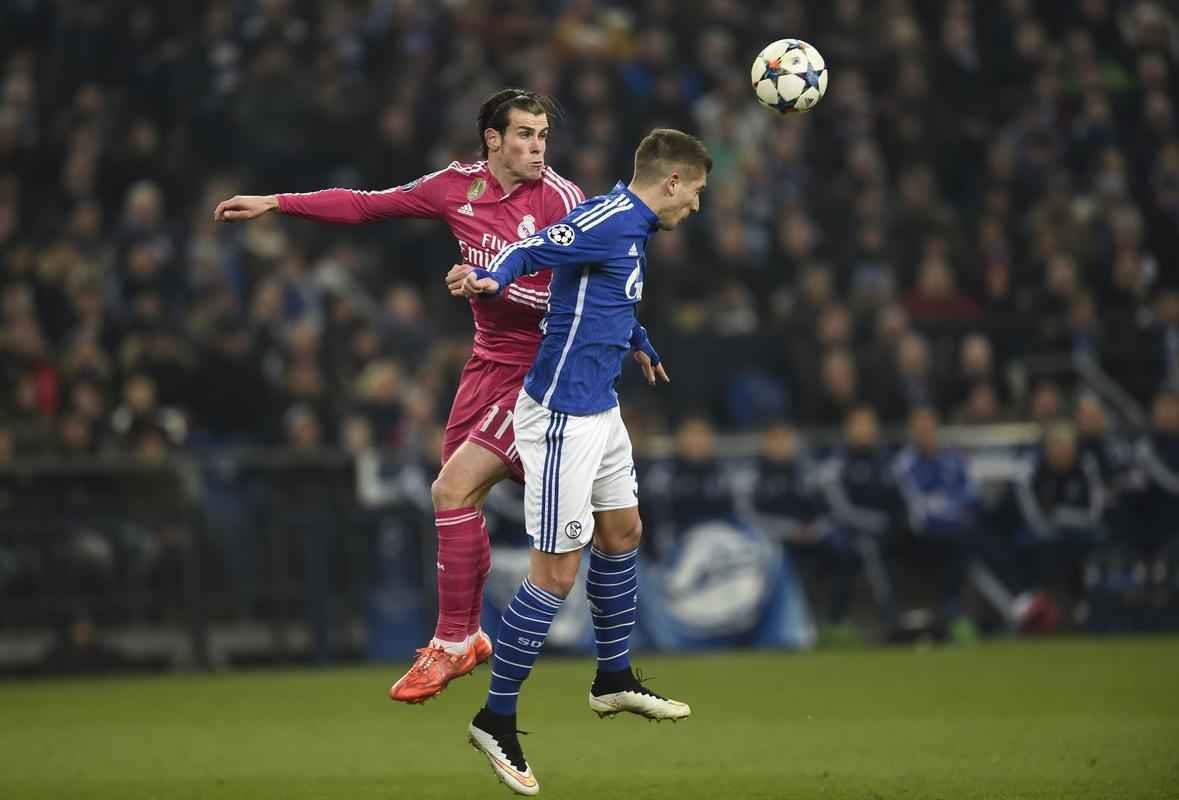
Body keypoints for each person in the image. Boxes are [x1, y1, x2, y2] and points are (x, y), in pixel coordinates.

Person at [213, 89, 601, 703]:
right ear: (493, 140)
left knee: (455, 489)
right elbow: (367, 207)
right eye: (525, 135)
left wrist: (490, 285)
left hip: (543, 371)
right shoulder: (456, 187)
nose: (537, 148)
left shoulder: (563, 200)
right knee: (457, 499)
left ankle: (452, 642)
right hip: (485, 368)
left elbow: (577, 303)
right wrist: (277, 203)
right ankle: (469, 635)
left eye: (544, 136)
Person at [454, 128, 710, 796]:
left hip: (600, 408)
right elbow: (534, 246)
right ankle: (495, 718)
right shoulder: (607, 217)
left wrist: (640, 339)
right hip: (561, 417)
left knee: (623, 532)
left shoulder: (635, 231)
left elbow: (608, 295)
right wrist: (491, 275)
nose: (698, 207)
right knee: (555, 575)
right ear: (672, 182)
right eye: (698, 191)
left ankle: (613, 678)